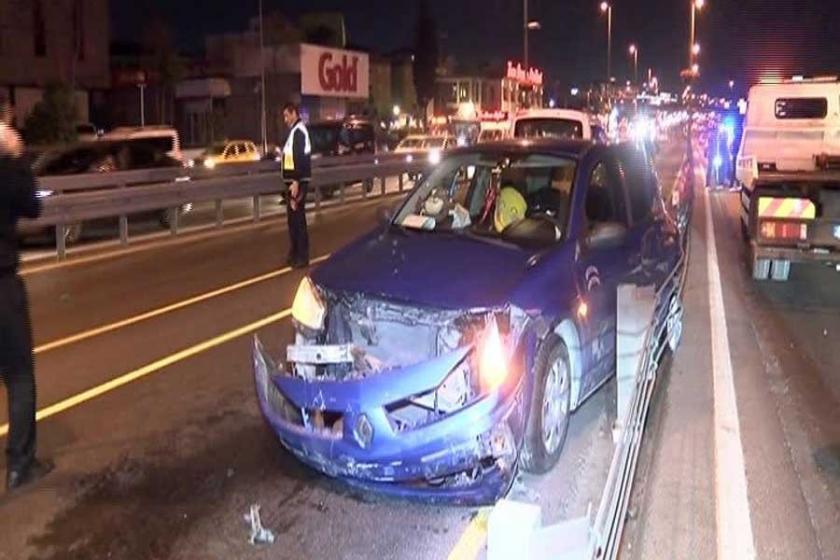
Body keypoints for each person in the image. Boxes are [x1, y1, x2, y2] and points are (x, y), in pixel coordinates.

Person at [0, 101, 52, 491]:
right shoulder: (7, 167)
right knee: (19, 375)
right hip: (2, 285)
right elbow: (32, 206)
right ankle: (20, 465)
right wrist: (17, 158)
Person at [281, 102, 312, 269]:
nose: (285, 119)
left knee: (298, 219)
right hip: (294, 182)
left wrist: (295, 182)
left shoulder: (299, 132)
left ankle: (302, 256)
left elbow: (299, 159)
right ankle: (294, 253)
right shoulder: (294, 132)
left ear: (294, 114)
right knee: (292, 220)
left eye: (286, 115)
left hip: (297, 183)